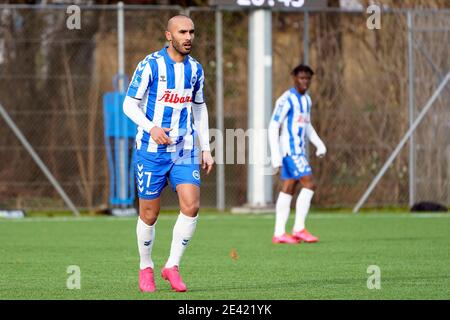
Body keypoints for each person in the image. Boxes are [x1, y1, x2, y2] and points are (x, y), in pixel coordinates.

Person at [122, 15, 214, 292]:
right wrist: (151, 128)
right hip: (151, 151)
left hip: (184, 150)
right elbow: (129, 105)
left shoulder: (196, 69)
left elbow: (199, 108)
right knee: (149, 214)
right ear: (168, 36)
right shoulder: (150, 65)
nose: (188, 37)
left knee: (192, 205)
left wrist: (206, 148)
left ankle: (172, 265)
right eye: (182, 32)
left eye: (192, 32)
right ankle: (146, 266)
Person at [268, 64, 326, 244]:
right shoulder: (286, 99)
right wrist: (276, 155)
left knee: (289, 188)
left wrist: (319, 143)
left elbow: (306, 125)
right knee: (309, 184)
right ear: (294, 78)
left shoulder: (307, 100)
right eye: (301, 78)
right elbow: (273, 126)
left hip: (298, 151)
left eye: (308, 78)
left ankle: (279, 233)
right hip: (290, 151)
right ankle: (299, 228)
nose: (305, 81)